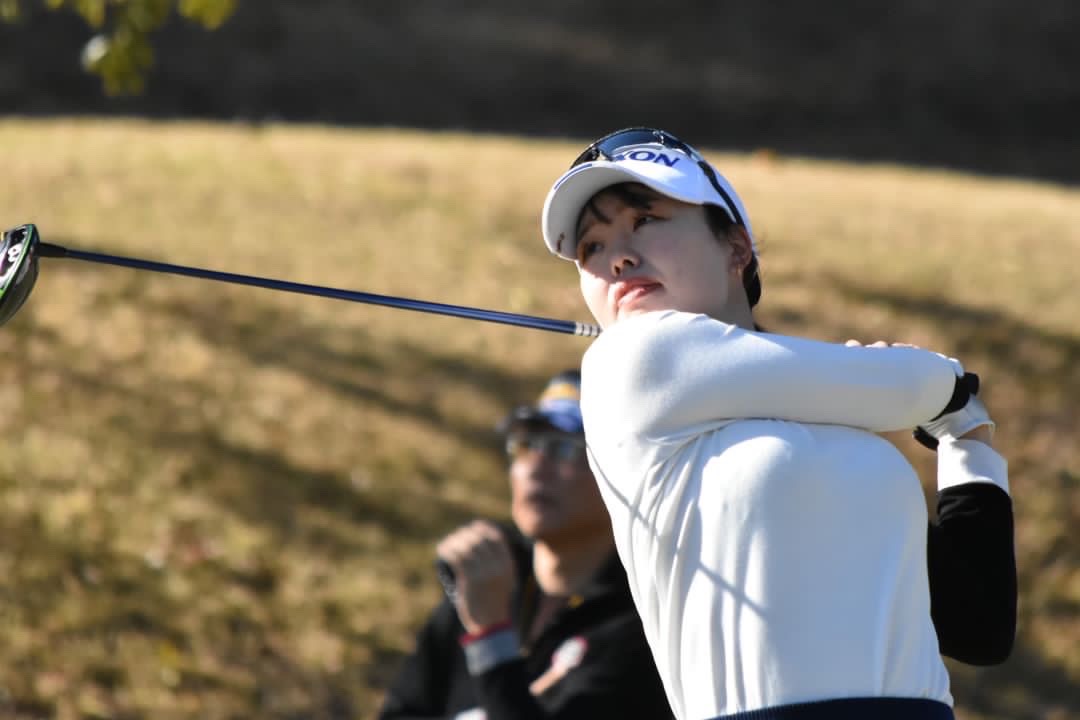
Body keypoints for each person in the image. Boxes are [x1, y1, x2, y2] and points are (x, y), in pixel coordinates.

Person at [537, 128, 1016, 720]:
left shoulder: (845, 425)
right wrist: (943, 388)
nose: (619, 257)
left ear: (736, 247)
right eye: (592, 246)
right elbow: (925, 384)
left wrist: (968, 443)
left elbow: (979, 626)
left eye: (646, 220)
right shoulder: (626, 361)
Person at [377, 369, 674, 720]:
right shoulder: (490, 578)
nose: (535, 467)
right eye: (526, 444)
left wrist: (490, 638)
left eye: (565, 448)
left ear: (625, 474)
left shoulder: (645, 623)